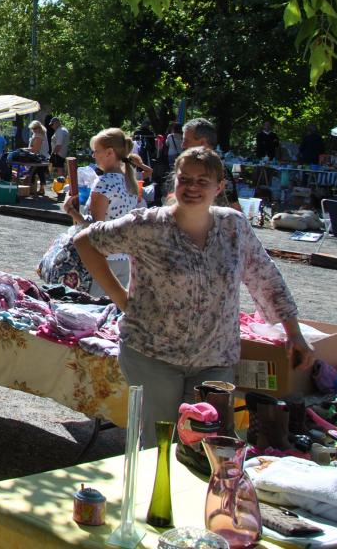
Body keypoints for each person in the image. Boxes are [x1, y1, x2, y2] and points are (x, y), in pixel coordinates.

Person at [73, 147, 311, 440]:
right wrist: (121, 297)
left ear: (219, 187)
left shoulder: (233, 227)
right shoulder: (148, 225)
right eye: (185, 179)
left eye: (202, 181)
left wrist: (294, 333)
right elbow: (86, 241)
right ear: (174, 182)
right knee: (159, 444)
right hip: (153, 354)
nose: (193, 187)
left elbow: (266, 278)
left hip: (214, 356)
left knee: (205, 445)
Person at [46, 128, 150, 293]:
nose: (94, 156)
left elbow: (95, 227)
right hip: (124, 257)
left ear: (109, 153)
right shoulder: (129, 181)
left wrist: (71, 211)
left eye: (96, 152)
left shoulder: (104, 182)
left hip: (103, 260)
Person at [26, 119, 50, 198]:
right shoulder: (40, 134)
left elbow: (35, 149)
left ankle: (32, 189)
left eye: (34, 128)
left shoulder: (39, 136)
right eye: (32, 129)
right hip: (42, 157)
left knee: (31, 173)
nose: (33, 130)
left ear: (38, 128)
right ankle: (40, 189)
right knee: (40, 173)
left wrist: (24, 149)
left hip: (39, 158)